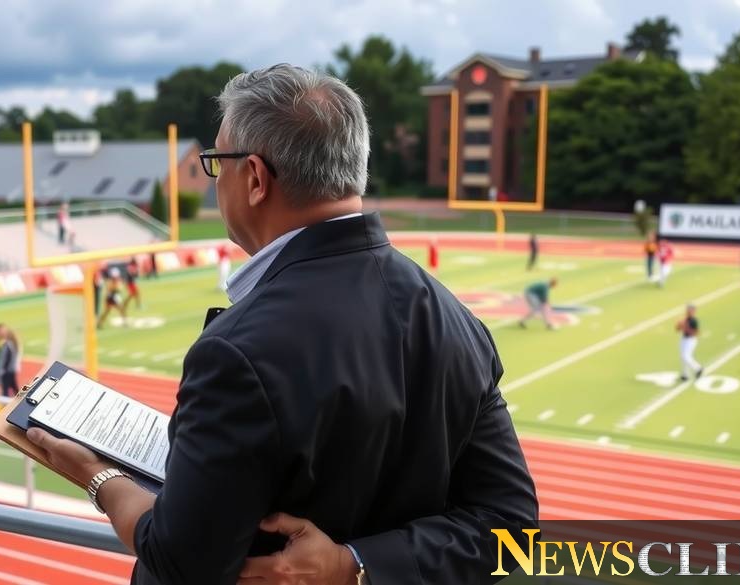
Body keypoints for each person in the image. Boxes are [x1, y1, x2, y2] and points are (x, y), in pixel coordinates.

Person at [27, 64, 537, 585]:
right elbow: (512, 528)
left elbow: (182, 561)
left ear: (253, 177)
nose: (214, 179)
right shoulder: (454, 318)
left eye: (214, 162)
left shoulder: (237, 351)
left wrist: (97, 476)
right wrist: (357, 565)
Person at [676, 304, 703, 382]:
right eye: (687, 310)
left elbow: (696, 333)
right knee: (682, 357)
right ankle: (685, 375)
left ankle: (698, 368)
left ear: (693, 311)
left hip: (690, 340)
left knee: (686, 356)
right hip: (684, 339)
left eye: (689, 310)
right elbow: (677, 329)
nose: (688, 311)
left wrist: (685, 328)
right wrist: (679, 325)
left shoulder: (694, 321)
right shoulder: (685, 319)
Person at [0, 328, 21, 398]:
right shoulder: (14, 344)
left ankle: (4, 404)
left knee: (5, 389)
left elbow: (6, 358)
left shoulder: (7, 344)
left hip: (7, 370)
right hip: (12, 369)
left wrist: (3, 369)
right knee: (14, 387)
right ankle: (20, 399)